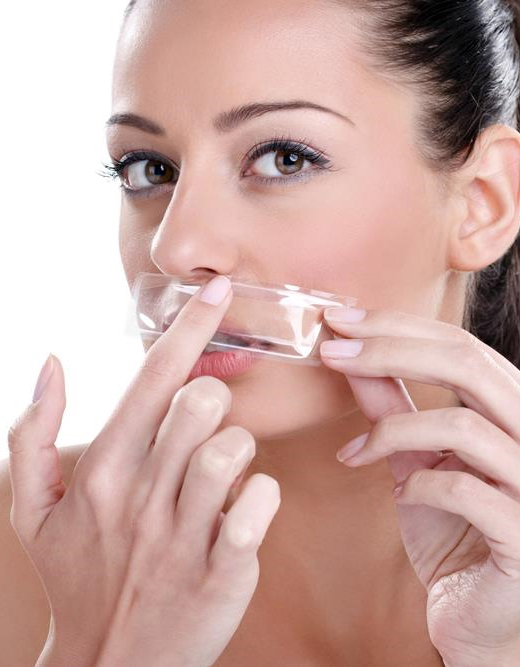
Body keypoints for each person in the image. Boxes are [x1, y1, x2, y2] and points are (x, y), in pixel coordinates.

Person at [2, 0, 520, 664]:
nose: (175, 248)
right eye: (149, 168)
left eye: (283, 158)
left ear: (482, 204)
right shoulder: (33, 550)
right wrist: (99, 649)